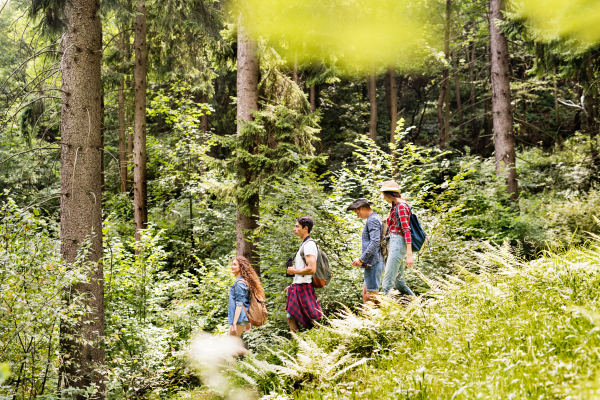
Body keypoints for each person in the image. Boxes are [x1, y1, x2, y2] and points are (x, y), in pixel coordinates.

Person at [285, 216, 323, 332]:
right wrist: (293, 284)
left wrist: (293, 271)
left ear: (305, 228)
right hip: (298, 286)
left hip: (303, 287)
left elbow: (311, 269)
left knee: (313, 320)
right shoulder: (304, 244)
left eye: (297, 226)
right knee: (291, 316)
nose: (294, 229)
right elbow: (304, 267)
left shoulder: (309, 245)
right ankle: (296, 346)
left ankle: (324, 338)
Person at [379, 181, 416, 296]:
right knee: (400, 284)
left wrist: (409, 255)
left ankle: (391, 313)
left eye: (384, 195)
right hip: (394, 244)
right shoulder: (395, 206)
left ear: (389, 194)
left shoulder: (401, 207)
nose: (384, 198)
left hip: (398, 245)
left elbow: (407, 231)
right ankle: (420, 308)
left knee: (386, 285)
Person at [346, 198, 384, 303]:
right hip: (372, 262)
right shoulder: (375, 218)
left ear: (362, 208)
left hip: (374, 262)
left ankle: (381, 318)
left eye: (357, 212)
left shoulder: (372, 220)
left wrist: (361, 259)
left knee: (371, 297)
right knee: (366, 295)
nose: (357, 215)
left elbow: (375, 242)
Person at [228, 256, 265, 338]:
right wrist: (247, 321)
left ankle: (245, 351)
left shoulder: (240, 283)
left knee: (229, 346)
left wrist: (234, 323)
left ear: (241, 267)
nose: (232, 266)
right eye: (232, 264)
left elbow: (239, 304)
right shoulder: (243, 281)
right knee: (231, 345)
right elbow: (247, 301)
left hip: (239, 319)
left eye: (235, 265)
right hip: (241, 318)